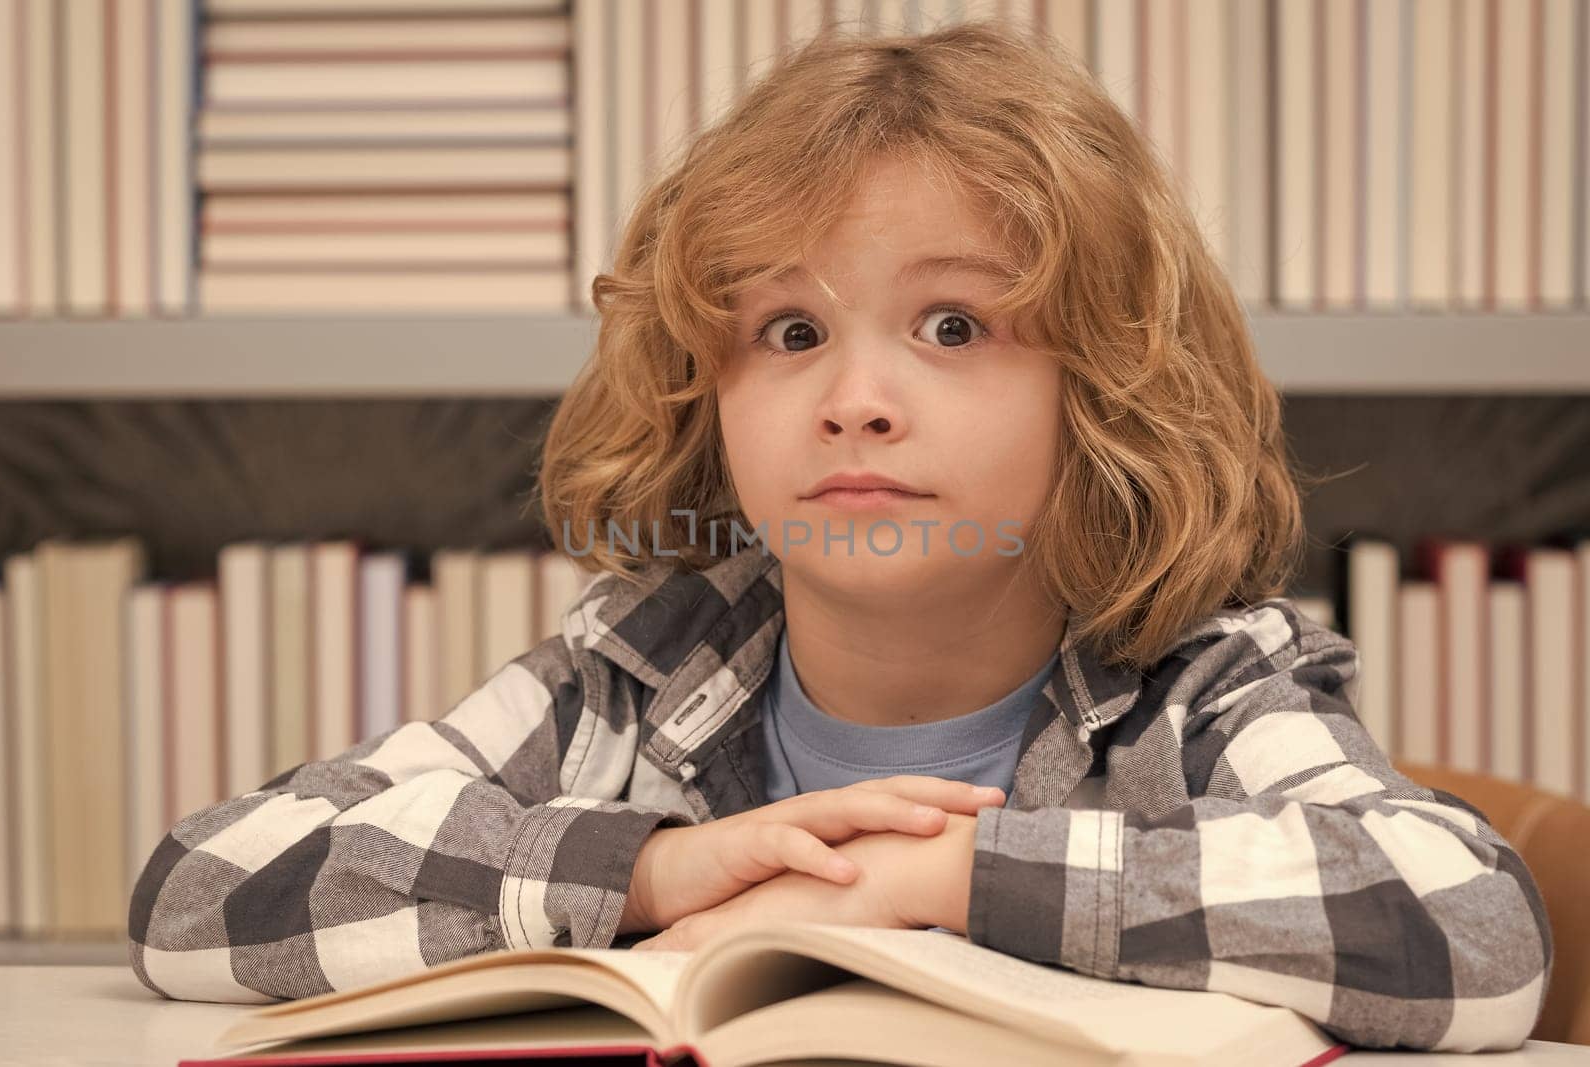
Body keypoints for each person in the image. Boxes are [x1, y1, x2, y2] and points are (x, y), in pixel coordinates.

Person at [127, 20, 1551, 1053]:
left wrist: (939, 882)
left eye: (955, 326)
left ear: (1102, 389)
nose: (856, 403)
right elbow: (200, 888)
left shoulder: (1203, 682)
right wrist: (645, 871)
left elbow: (1472, 930)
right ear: (709, 391)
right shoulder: (639, 671)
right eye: (790, 333)